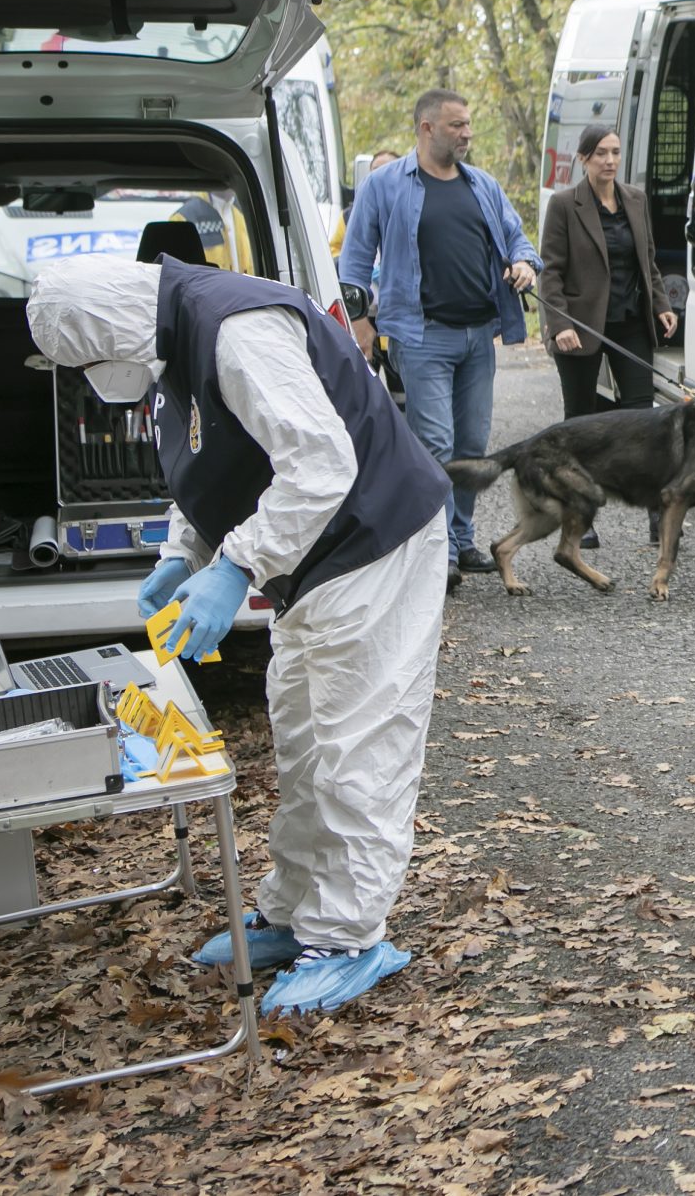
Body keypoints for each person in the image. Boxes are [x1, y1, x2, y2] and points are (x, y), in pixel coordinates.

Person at [27, 255, 451, 1014]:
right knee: (303, 740)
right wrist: (184, 552)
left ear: (111, 335)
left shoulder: (235, 330)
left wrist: (237, 564)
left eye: (89, 363)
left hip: (375, 537)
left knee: (358, 744)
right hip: (315, 563)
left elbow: (320, 465)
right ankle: (293, 914)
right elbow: (224, 456)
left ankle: (349, 936)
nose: (93, 378)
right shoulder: (176, 343)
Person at [337, 90, 542, 590]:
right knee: (436, 443)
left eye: (469, 124)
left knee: (473, 445)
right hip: (421, 335)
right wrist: (360, 322)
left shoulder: (483, 185)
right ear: (426, 128)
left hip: (479, 336)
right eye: (457, 126)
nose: (467, 133)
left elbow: (519, 239)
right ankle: (439, 552)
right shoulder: (385, 186)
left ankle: (463, 539)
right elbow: (355, 260)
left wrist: (522, 264)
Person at [538, 124, 679, 550]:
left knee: (647, 422)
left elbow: (647, 260)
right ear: (583, 158)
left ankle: (659, 515)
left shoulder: (635, 199)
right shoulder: (565, 205)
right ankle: (580, 514)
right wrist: (559, 325)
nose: (610, 160)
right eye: (600, 153)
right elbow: (551, 272)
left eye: (615, 152)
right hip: (579, 326)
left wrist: (661, 304)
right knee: (579, 420)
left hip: (632, 323)